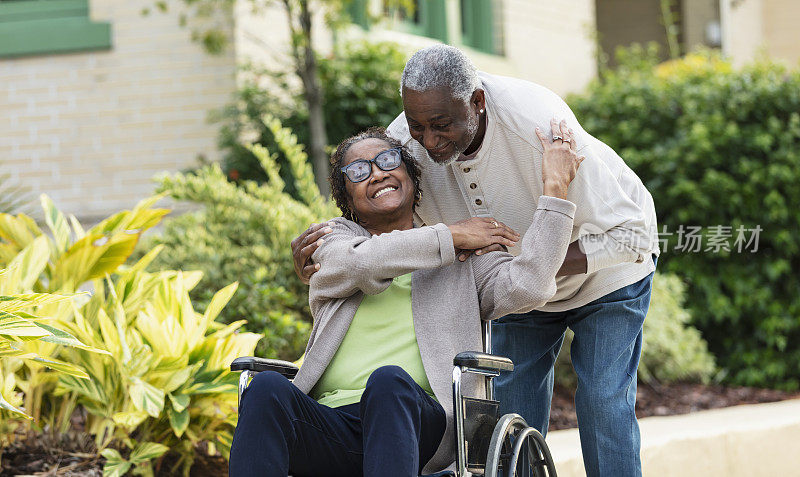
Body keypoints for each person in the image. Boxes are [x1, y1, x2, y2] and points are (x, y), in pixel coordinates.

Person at [291, 45, 659, 477]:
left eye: (441, 125)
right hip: (510, 292)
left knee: (602, 404)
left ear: (477, 102)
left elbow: (632, 236)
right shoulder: (406, 144)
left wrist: (528, 259)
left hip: (606, 276)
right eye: (417, 127)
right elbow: (384, 210)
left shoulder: (540, 127)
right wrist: (329, 256)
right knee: (508, 423)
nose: (427, 142)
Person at [229, 124, 583, 476]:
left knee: (388, 382)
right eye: (358, 171)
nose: (377, 173)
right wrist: (452, 234)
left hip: (419, 422)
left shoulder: (465, 260)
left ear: (410, 174)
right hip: (330, 424)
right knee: (266, 389)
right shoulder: (333, 241)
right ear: (346, 198)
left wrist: (555, 192)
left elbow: (531, 285)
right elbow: (364, 261)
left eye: (387, 159)